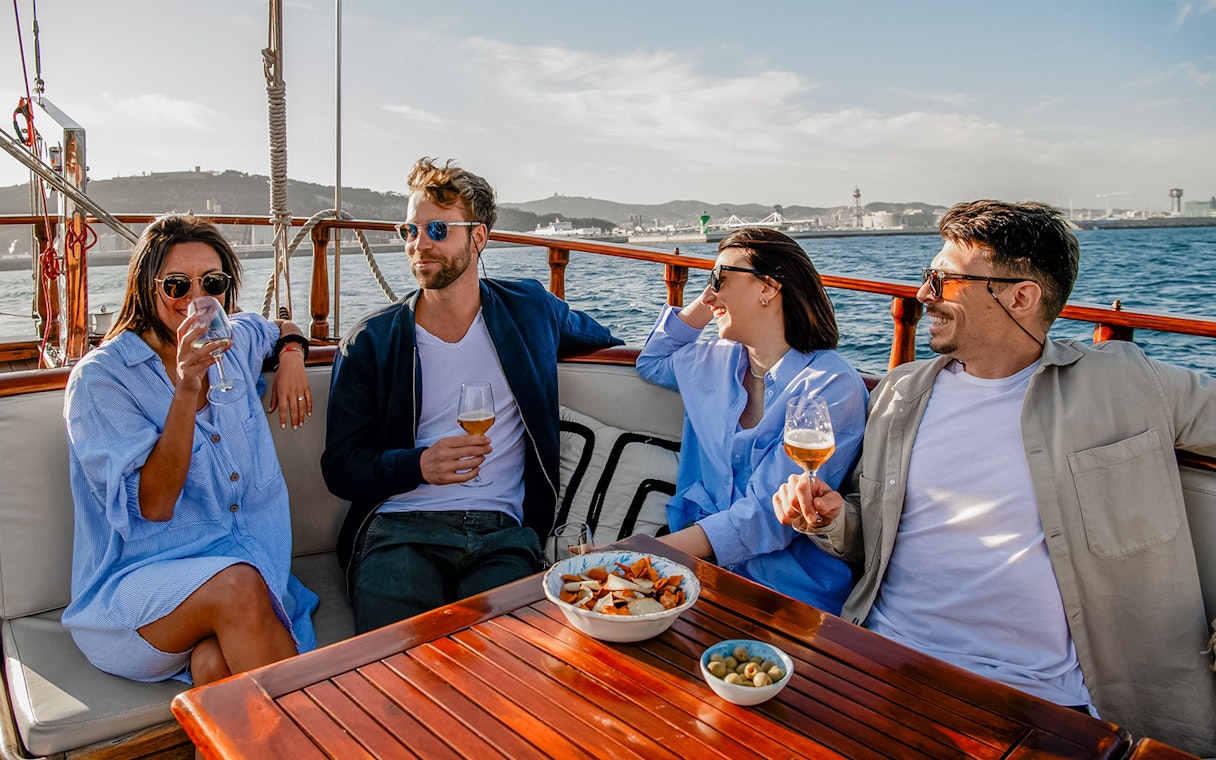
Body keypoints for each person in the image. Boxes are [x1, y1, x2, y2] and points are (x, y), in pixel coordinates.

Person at [772, 200, 1216, 755]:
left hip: (1040, 697)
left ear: (1021, 296)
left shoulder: (1124, 381)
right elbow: (870, 538)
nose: (923, 294)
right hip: (881, 656)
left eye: (945, 279)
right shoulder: (899, 393)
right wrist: (832, 519)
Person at [321, 157, 621, 634]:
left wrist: (689, 335)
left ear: (478, 238)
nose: (420, 244)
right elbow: (339, 467)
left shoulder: (528, 311)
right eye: (410, 231)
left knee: (510, 665)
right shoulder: (371, 342)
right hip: (400, 531)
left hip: (502, 534)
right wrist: (417, 465)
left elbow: (603, 336)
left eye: (438, 229)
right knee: (398, 671)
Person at [62, 214, 319, 686]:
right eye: (177, 285)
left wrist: (292, 355)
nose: (198, 298)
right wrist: (185, 389)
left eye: (213, 282)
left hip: (247, 576)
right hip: (141, 590)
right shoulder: (101, 380)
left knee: (215, 665)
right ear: (147, 287)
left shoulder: (234, 339)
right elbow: (155, 506)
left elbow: (278, 325)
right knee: (239, 588)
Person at [636, 227, 867, 614]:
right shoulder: (710, 362)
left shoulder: (831, 385)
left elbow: (766, 515)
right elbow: (652, 361)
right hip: (696, 575)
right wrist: (713, 296)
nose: (708, 294)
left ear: (768, 288)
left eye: (719, 279)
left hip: (784, 594)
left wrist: (641, 555)